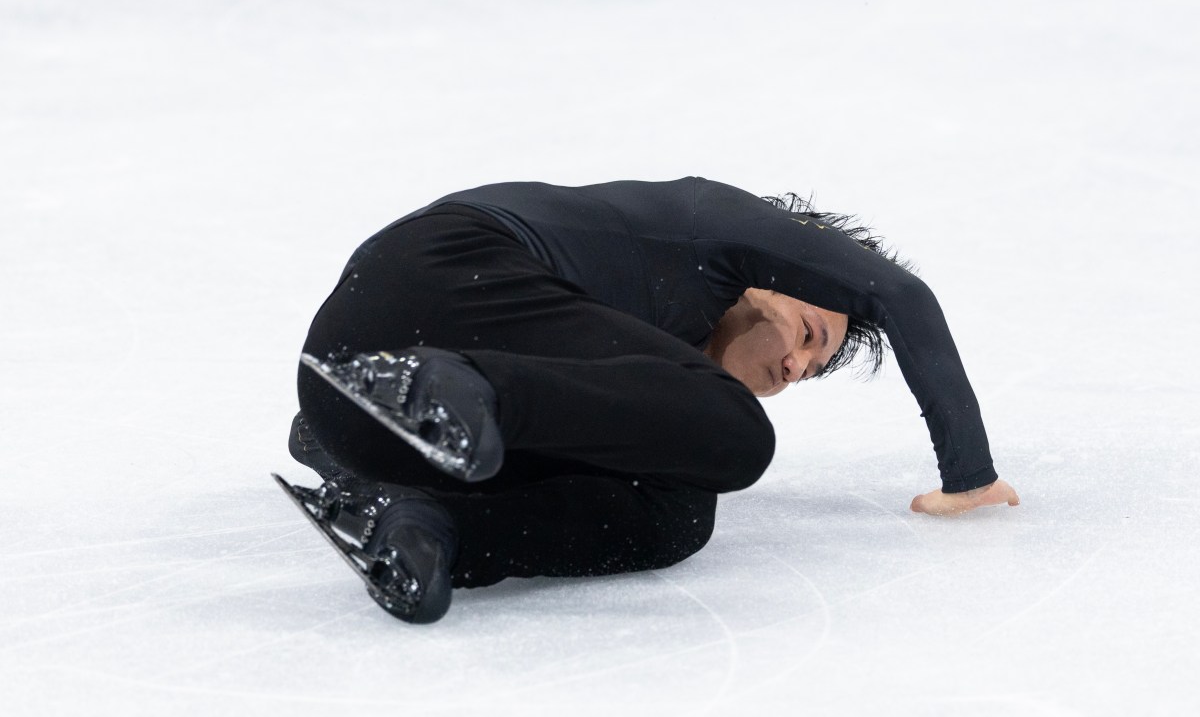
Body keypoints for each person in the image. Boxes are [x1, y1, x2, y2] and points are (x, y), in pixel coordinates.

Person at [284, 176, 1019, 624]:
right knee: (739, 434)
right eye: (806, 329)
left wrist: (329, 440)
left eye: (812, 365)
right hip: (445, 266)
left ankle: (429, 529)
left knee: (676, 512)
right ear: (777, 272)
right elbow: (902, 294)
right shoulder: (719, 228)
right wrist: (971, 475)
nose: (795, 365)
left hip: (343, 399)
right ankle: (467, 392)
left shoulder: (631, 372)